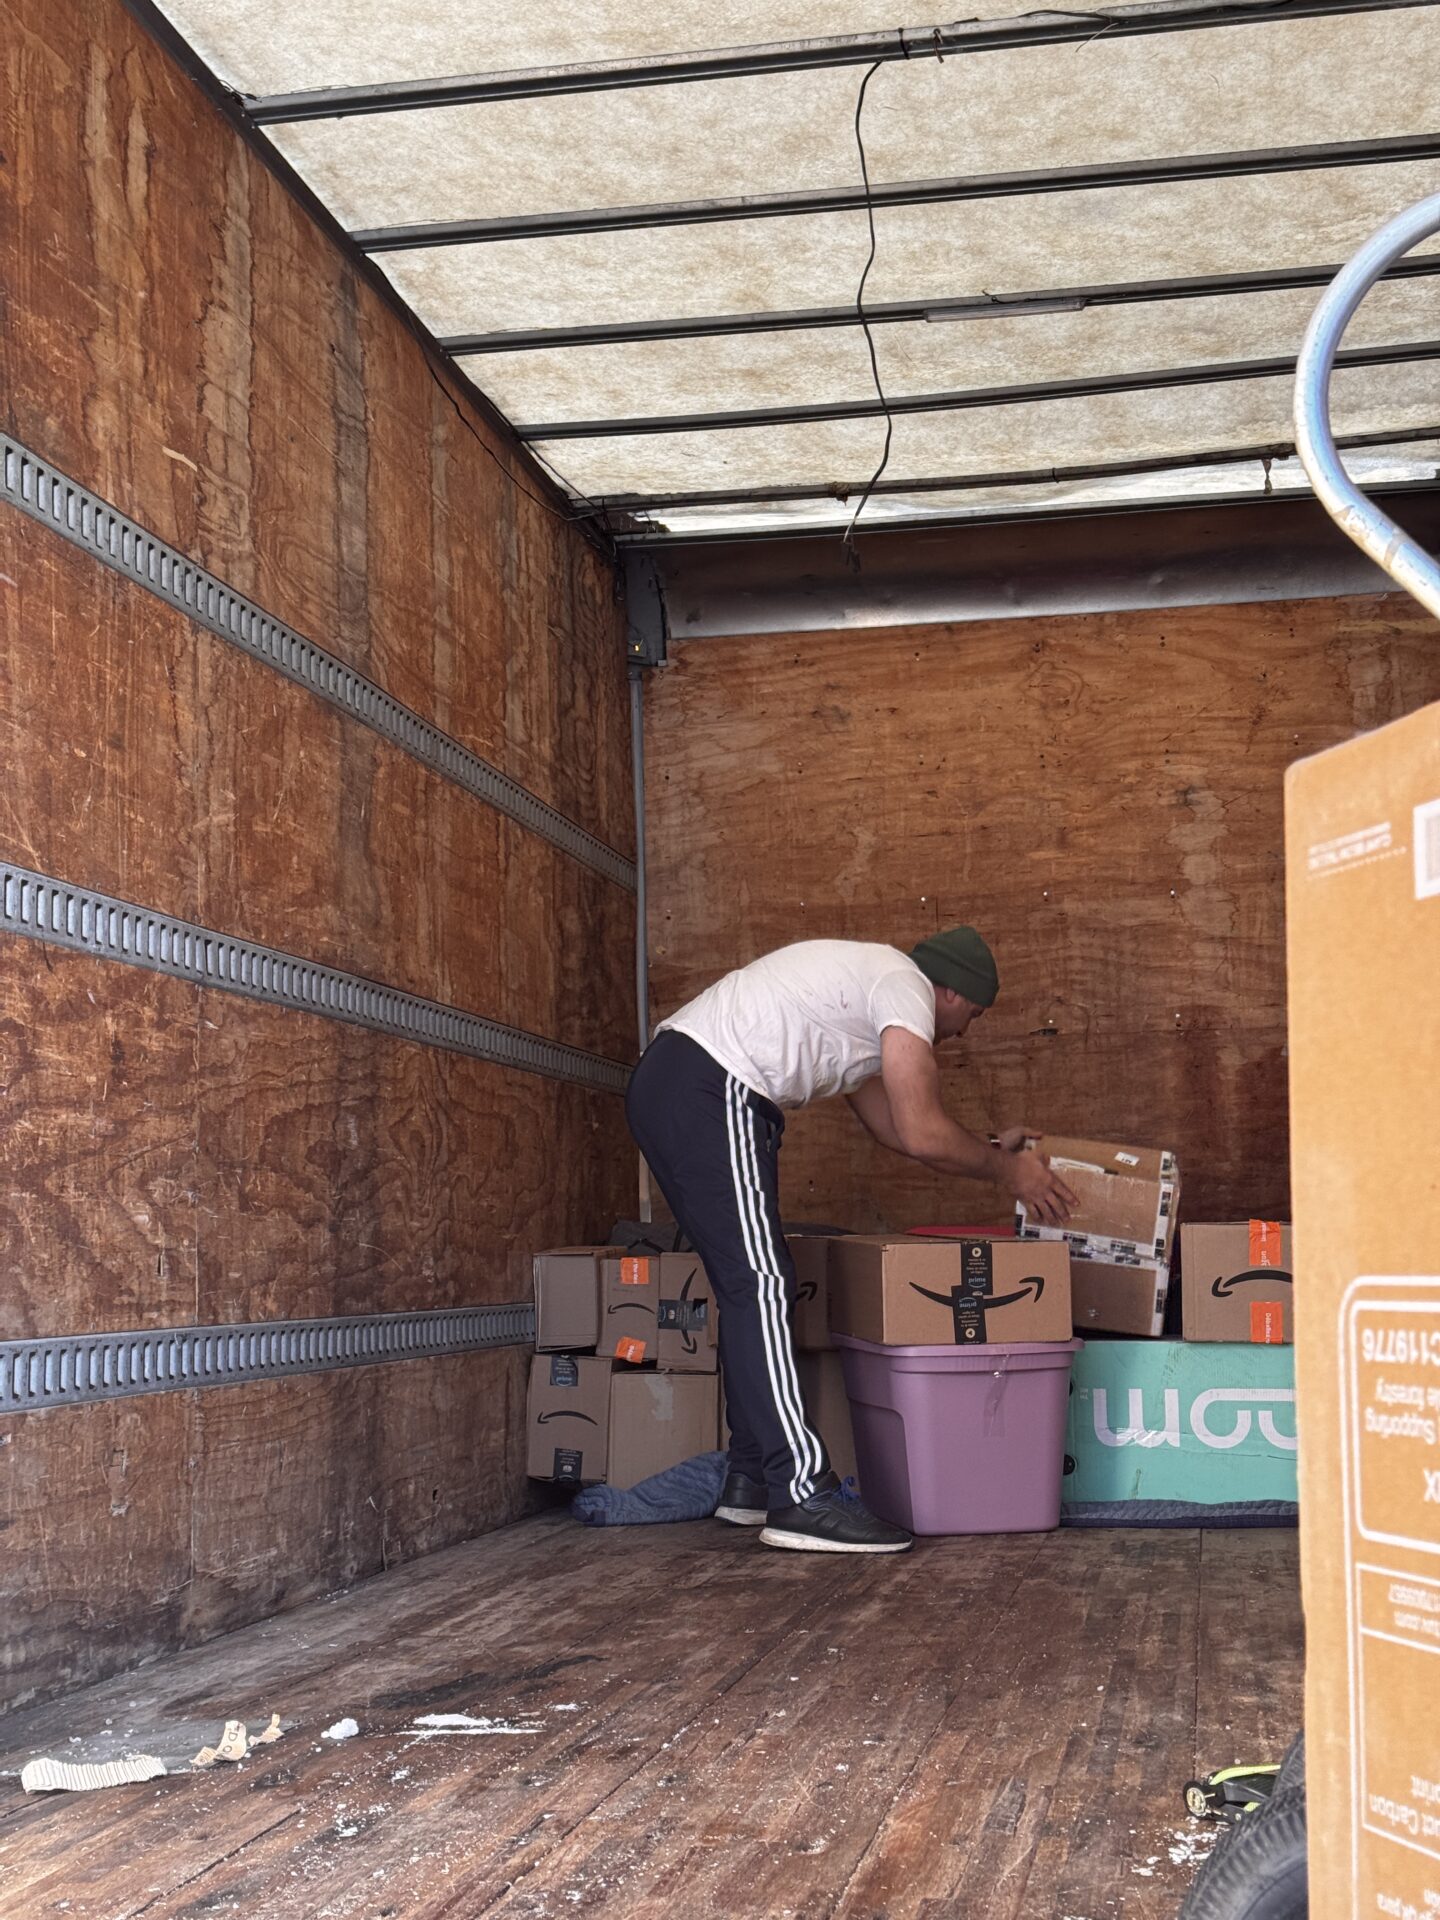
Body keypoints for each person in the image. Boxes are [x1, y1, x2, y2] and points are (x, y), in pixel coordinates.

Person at [625, 927, 1077, 1555]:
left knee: (748, 1285)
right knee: (760, 1284)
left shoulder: (868, 1008)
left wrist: (996, 1152)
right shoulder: (903, 986)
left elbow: (898, 1128)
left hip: (682, 1084)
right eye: (971, 1013)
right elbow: (921, 1129)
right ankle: (802, 1493)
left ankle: (753, 1477)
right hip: (710, 1084)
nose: (966, 1031)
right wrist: (1008, 1173)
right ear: (947, 990)